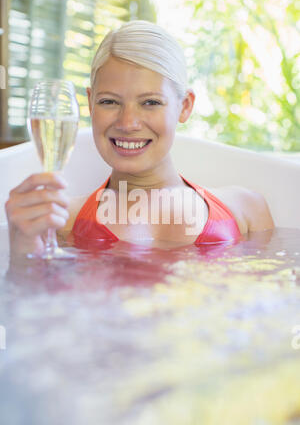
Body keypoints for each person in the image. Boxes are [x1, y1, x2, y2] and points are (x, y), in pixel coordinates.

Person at [5, 20, 274, 258]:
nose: (127, 123)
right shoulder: (59, 221)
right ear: (90, 103)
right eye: (109, 101)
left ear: (185, 106)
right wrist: (23, 252)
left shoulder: (246, 210)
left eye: (150, 102)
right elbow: (31, 308)